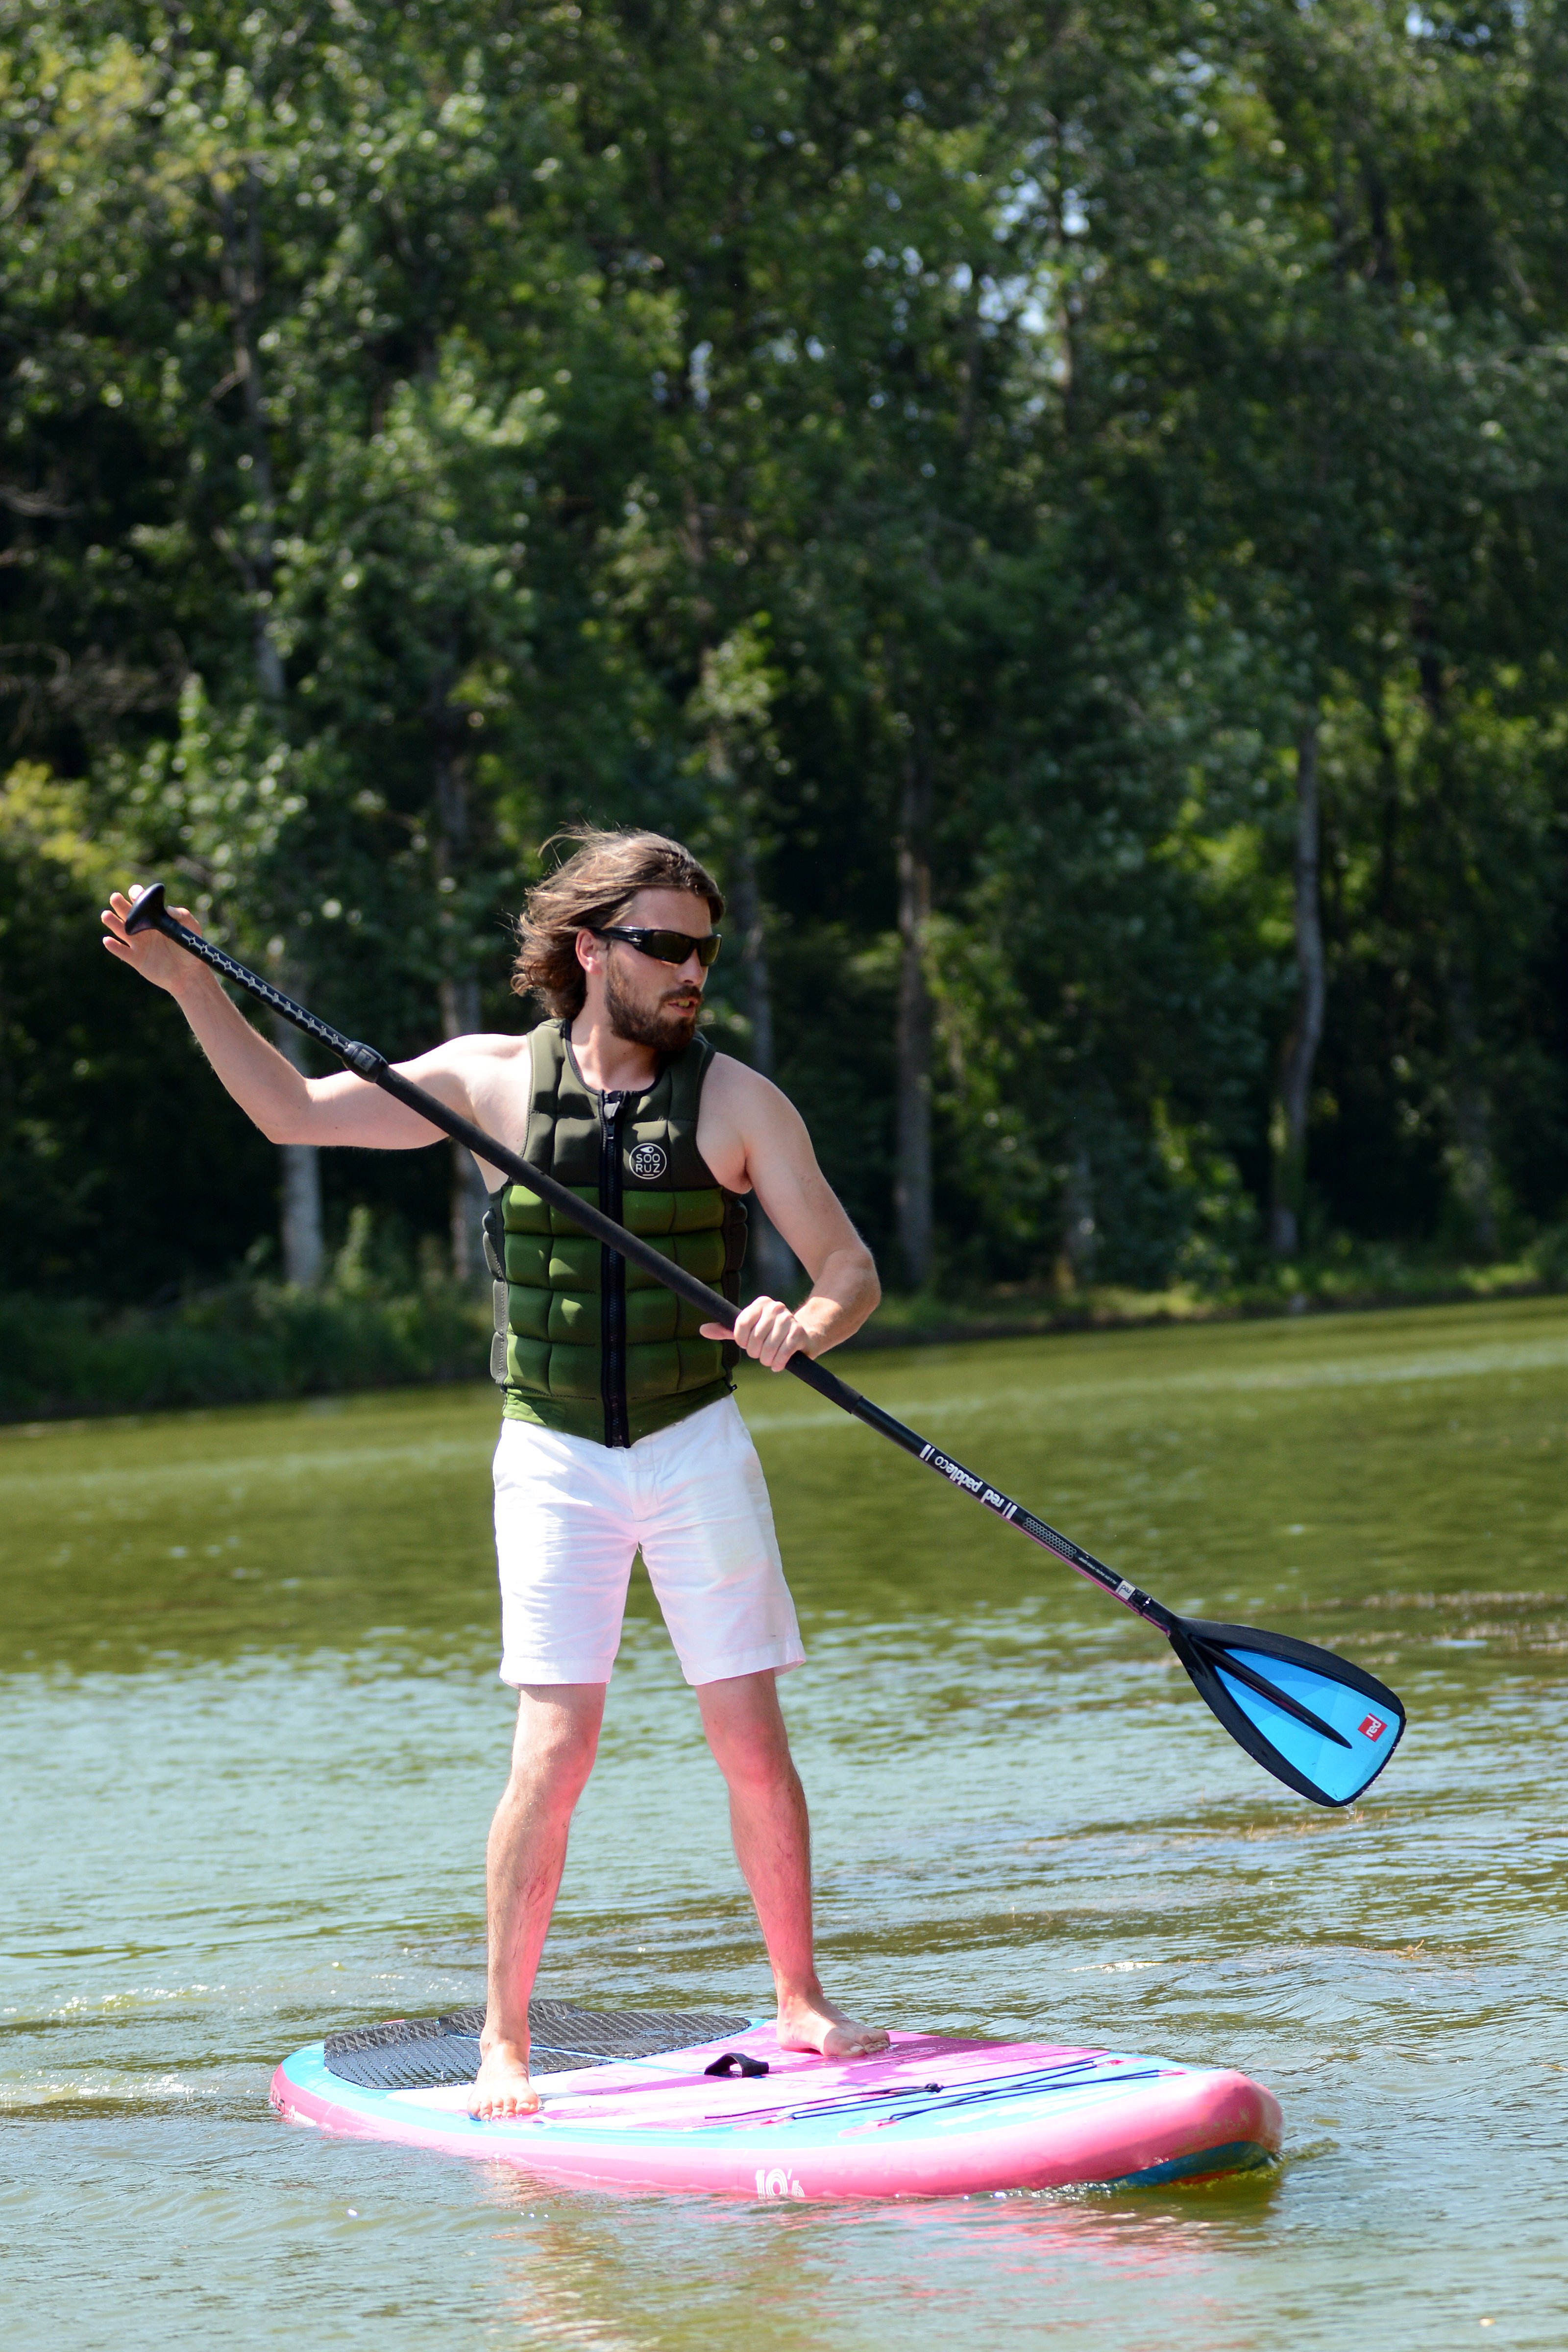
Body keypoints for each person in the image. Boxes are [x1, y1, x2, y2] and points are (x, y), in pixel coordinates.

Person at [100, 827, 887, 2118]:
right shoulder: (483, 1083)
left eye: (705, 949)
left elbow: (847, 1270)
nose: (692, 970)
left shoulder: (742, 1103)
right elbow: (292, 1116)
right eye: (664, 946)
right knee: (554, 1748)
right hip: (555, 1459)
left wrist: (802, 1324)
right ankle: (505, 2045)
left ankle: (801, 2002)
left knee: (748, 1735)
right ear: (591, 950)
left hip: (698, 1444)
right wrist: (194, 985)